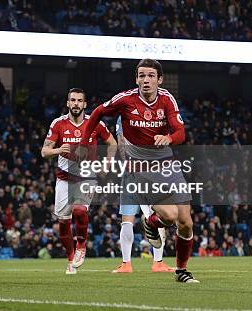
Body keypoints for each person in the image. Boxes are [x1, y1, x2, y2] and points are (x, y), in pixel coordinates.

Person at [79, 59, 199, 283]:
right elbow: (96, 113)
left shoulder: (166, 100)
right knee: (170, 216)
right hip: (140, 169)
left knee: (186, 221)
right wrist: (85, 142)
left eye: (151, 76)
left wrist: (169, 137)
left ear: (159, 80)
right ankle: (153, 222)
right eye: (142, 75)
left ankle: (181, 270)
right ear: (136, 79)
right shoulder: (125, 100)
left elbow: (181, 131)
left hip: (168, 164)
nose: (146, 80)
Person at [41, 88, 117, 274]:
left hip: (86, 176)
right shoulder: (58, 124)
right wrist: (59, 150)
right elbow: (44, 152)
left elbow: (112, 143)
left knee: (80, 209)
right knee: (64, 222)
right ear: (68, 103)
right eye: (72, 100)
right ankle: (70, 258)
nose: (76, 104)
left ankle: (82, 245)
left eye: (79, 101)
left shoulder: (94, 122)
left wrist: (108, 162)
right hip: (64, 179)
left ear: (84, 104)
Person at [113, 118, 175, 273]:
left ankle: (127, 264)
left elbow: (121, 141)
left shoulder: (124, 116)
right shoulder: (150, 114)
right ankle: (157, 263)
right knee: (152, 217)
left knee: (128, 220)